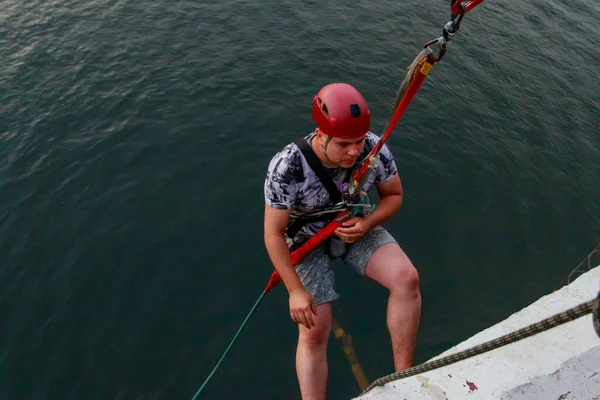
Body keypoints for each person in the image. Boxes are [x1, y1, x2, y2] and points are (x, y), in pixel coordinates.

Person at [263, 82, 421, 400]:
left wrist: (368, 223)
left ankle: (406, 380)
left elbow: (394, 195)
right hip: (305, 243)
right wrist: (295, 291)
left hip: (354, 225)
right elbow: (273, 233)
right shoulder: (288, 167)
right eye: (345, 144)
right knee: (314, 332)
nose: (354, 151)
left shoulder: (373, 150)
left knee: (407, 279)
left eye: (359, 141)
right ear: (321, 135)